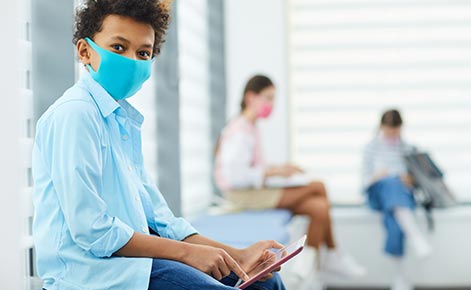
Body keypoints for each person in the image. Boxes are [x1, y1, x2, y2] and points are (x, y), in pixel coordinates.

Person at [32, 1, 286, 290]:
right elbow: (92, 230)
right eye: (118, 47)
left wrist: (237, 255)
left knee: (267, 283)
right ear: (85, 51)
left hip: (134, 264)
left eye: (143, 53)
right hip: (90, 276)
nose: (132, 61)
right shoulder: (75, 114)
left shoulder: (121, 122)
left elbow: (162, 220)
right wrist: (189, 254)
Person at [214, 75, 366, 278]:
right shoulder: (240, 130)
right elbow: (235, 178)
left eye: (273, 99)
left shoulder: (249, 126)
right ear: (251, 97)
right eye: (268, 98)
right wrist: (273, 172)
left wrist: (278, 169)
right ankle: (332, 254)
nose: (271, 104)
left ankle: (312, 262)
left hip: (254, 191)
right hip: (243, 196)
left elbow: (250, 167)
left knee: (319, 207)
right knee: (318, 186)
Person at [362, 109, 433, 290]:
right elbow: (363, 183)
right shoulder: (371, 148)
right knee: (390, 183)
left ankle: (400, 279)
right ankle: (415, 237)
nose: (392, 135)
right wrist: (377, 176)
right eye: (388, 131)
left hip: (401, 197)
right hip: (378, 194)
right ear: (381, 127)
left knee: (394, 219)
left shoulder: (409, 149)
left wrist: (410, 179)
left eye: (396, 131)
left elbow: (419, 180)